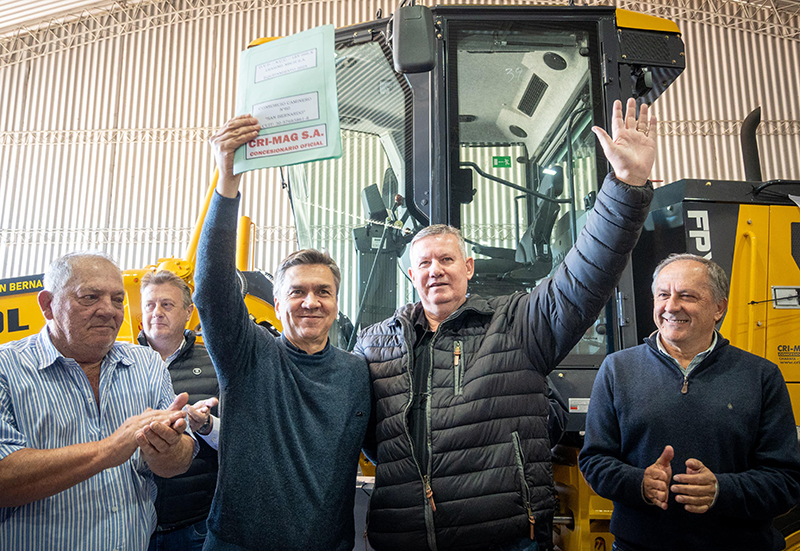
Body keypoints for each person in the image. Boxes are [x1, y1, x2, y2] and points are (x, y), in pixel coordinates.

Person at [354, 97, 658, 551]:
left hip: (506, 537)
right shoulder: (374, 345)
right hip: (407, 539)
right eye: (424, 263)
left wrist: (626, 184)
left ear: (469, 267)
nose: (435, 269)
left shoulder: (515, 323)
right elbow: (368, 440)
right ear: (410, 274)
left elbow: (582, 278)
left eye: (447, 259)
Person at [193, 115, 371, 551]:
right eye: (297, 292)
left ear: (336, 302)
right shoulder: (248, 355)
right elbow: (212, 288)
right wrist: (227, 182)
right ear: (276, 303)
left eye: (323, 291)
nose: (310, 302)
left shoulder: (357, 373)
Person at [579, 254, 800, 550]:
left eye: (687, 296)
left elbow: (786, 480)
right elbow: (594, 461)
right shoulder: (617, 369)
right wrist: (640, 484)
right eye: (663, 295)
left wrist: (722, 491)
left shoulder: (761, 376)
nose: (671, 307)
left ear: (719, 307)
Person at [0, 252, 197, 550]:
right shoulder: (7, 368)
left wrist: (167, 448)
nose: (109, 310)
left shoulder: (147, 364)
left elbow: (178, 461)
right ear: (47, 305)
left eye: (118, 299)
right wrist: (110, 449)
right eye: (90, 297)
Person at [139, 270, 220, 551]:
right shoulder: (118, 363)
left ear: (188, 312)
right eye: (149, 305)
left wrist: (207, 426)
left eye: (167, 304)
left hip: (195, 525)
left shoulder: (216, 364)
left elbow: (240, 442)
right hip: (133, 526)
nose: (157, 312)